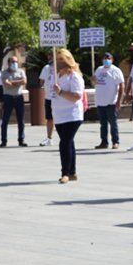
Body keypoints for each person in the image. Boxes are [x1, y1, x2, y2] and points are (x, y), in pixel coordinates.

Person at [51, 49, 85, 183]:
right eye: (57, 60)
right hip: (59, 114)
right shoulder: (56, 75)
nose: (58, 63)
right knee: (69, 143)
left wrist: (60, 93)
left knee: (64, 143)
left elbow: (76, 96)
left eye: (61, 60)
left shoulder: (74, 76)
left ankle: (65, 173)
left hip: (72, 115)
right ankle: (72, 172)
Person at [93, 52, 125, 149]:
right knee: (103, 124)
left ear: (112, 60)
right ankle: (104, 142)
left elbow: (121, 86)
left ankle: (115, 142)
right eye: (104, 58)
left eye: (108, 58)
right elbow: (94, 81)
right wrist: (92, 79)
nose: (106, 60)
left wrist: (119, 101)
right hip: (100, 101)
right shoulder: (99, 70)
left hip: (111, 102)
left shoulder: (116, 70)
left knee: (113, 123)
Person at [0, 55, 27, 147]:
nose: (15, 63)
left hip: (19, 97)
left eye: (16, 61)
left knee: (21, 120)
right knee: (5, 120)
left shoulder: (21, 71)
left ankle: (21, 139)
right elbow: (7, 84)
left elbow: (24, 82)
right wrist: (18, 82)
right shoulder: (4, 73)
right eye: (13, 62)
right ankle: (4, 141)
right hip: (8, 98)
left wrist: (13, 82)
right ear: (8, 63)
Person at [38, 55, 57, 146]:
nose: (50, 59)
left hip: (59, 97)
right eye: (49, 57)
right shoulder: (46, 68)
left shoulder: (61, 68)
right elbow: (41, 81)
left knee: (60, 118)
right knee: (49, 118)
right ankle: (49, 138)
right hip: (49, 97)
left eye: (52, 57)